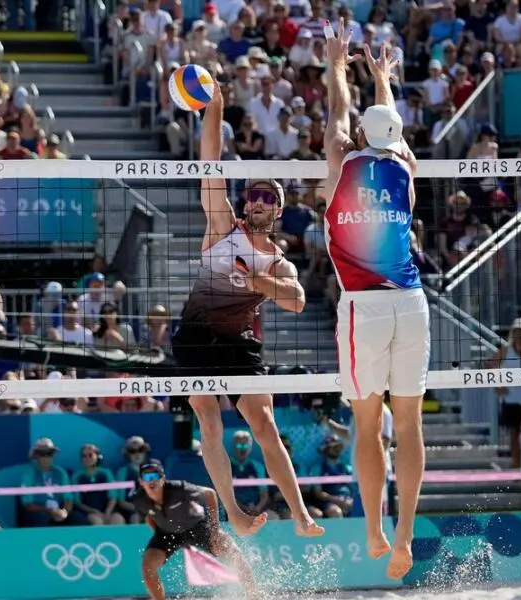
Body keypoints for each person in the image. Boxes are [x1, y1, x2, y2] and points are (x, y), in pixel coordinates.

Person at [170, 82, 323, 539]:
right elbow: (210, 164)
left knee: (264, 422)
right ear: (245, 203)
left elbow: (297, 301)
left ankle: (299, 514)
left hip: (240, 342)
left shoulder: (278, 260)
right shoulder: (222, 229)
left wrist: (258, 281)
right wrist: (213, 108)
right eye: (253, 195)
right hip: (196, 336)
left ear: (277, 210)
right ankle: (234, 511)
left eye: (268, 197)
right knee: (208, 416)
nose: (258, 201)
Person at [322, 21, 429, 580]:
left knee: (369, 426)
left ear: (362, 137)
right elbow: (392, 132)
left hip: (362, 305)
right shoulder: (405, 169)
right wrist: (383, 79)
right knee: (408, 423)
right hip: (411, 300)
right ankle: (406, 535)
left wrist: (339, 65)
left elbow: (338, 116)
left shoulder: (340, 162)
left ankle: (373, 531)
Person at [131, 460, 259, 600]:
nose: (151, 481)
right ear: (141, 482)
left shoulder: (180, 489)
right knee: (147, 567)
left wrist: (214, 529)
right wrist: (159, 534)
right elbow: (148, 517)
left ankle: (254, 595)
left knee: (233, 552)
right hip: (167, 533)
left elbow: (210, 494)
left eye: (155, 476)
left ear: (163, 478)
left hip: (197, 527)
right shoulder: (139, 500)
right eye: (147, 477)